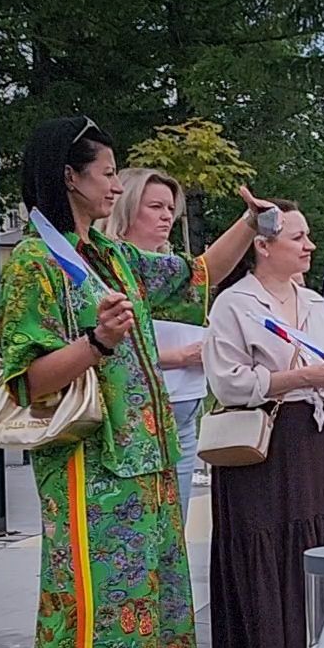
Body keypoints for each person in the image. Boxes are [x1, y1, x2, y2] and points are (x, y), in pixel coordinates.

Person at [0, 116, 266, 648]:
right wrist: (96, 341)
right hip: (89, 472)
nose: (117, 182)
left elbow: (199, 271)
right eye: (107, 170)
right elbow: (26, 380)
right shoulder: (35, 265)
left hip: (145, 469)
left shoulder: (110, 256)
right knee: (82, 617)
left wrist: (251, 221)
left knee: (146, 612)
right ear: (70, 177)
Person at [203, 200, 324, 648]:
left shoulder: (316, 302)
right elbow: (226, 382)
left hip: (316, 442)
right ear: (263, 245)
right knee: (266, 551)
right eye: (298, 237)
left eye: (309, 235)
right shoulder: (234, 305)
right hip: (262, 450)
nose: (309, 246)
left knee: (319, 553)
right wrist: (297, 380)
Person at [103, 168, 205, 522]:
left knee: (176, 527)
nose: (166, 216)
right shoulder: (109, 267)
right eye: (155, 206)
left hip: (186, 407)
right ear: (127, 209)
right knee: (143, 522)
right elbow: (110, 347)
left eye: (170, 209)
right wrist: (179, 357)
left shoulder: (174, 267)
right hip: (140, 415)